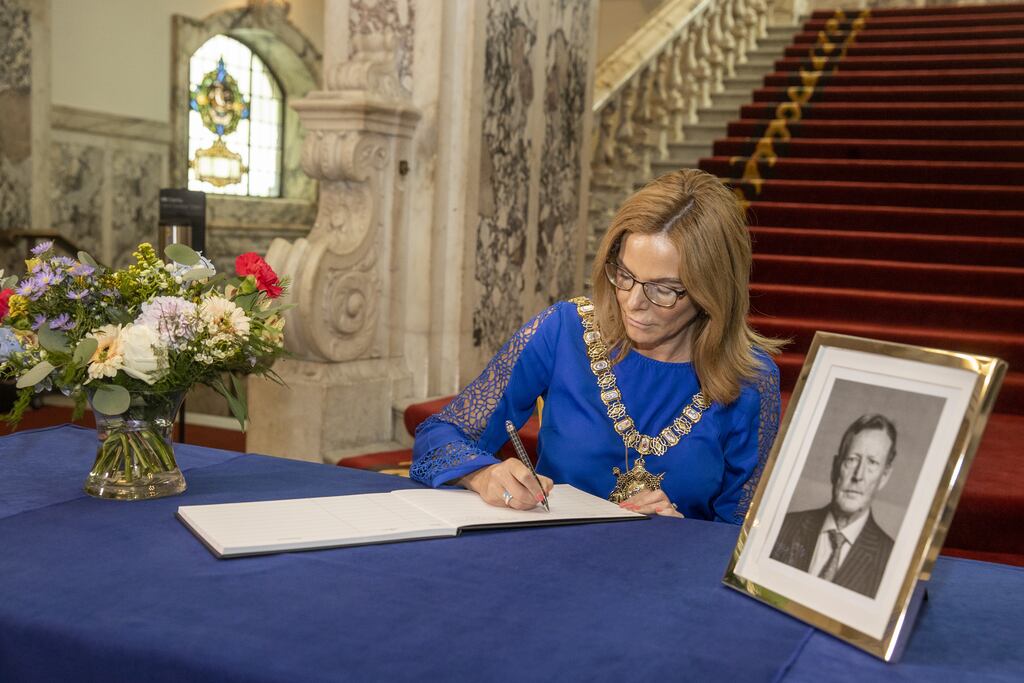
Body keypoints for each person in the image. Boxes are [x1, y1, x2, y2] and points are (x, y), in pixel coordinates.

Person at [410, 168, 783, 523]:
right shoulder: (565, 330)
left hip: (665, 578)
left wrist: (680, 531)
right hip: (552, 560)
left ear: (711, 293)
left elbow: (741, 536)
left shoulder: (751, 380)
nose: (633, 302)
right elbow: (439, 434)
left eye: (664, 289)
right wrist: (483, 474)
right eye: (625, 275)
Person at [770, 414, 897, 598]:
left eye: (872, 463)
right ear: (835, 466)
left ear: (884, 477)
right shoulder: (784, 526)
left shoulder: (891, 561)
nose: (858, 475)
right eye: (852, 459)